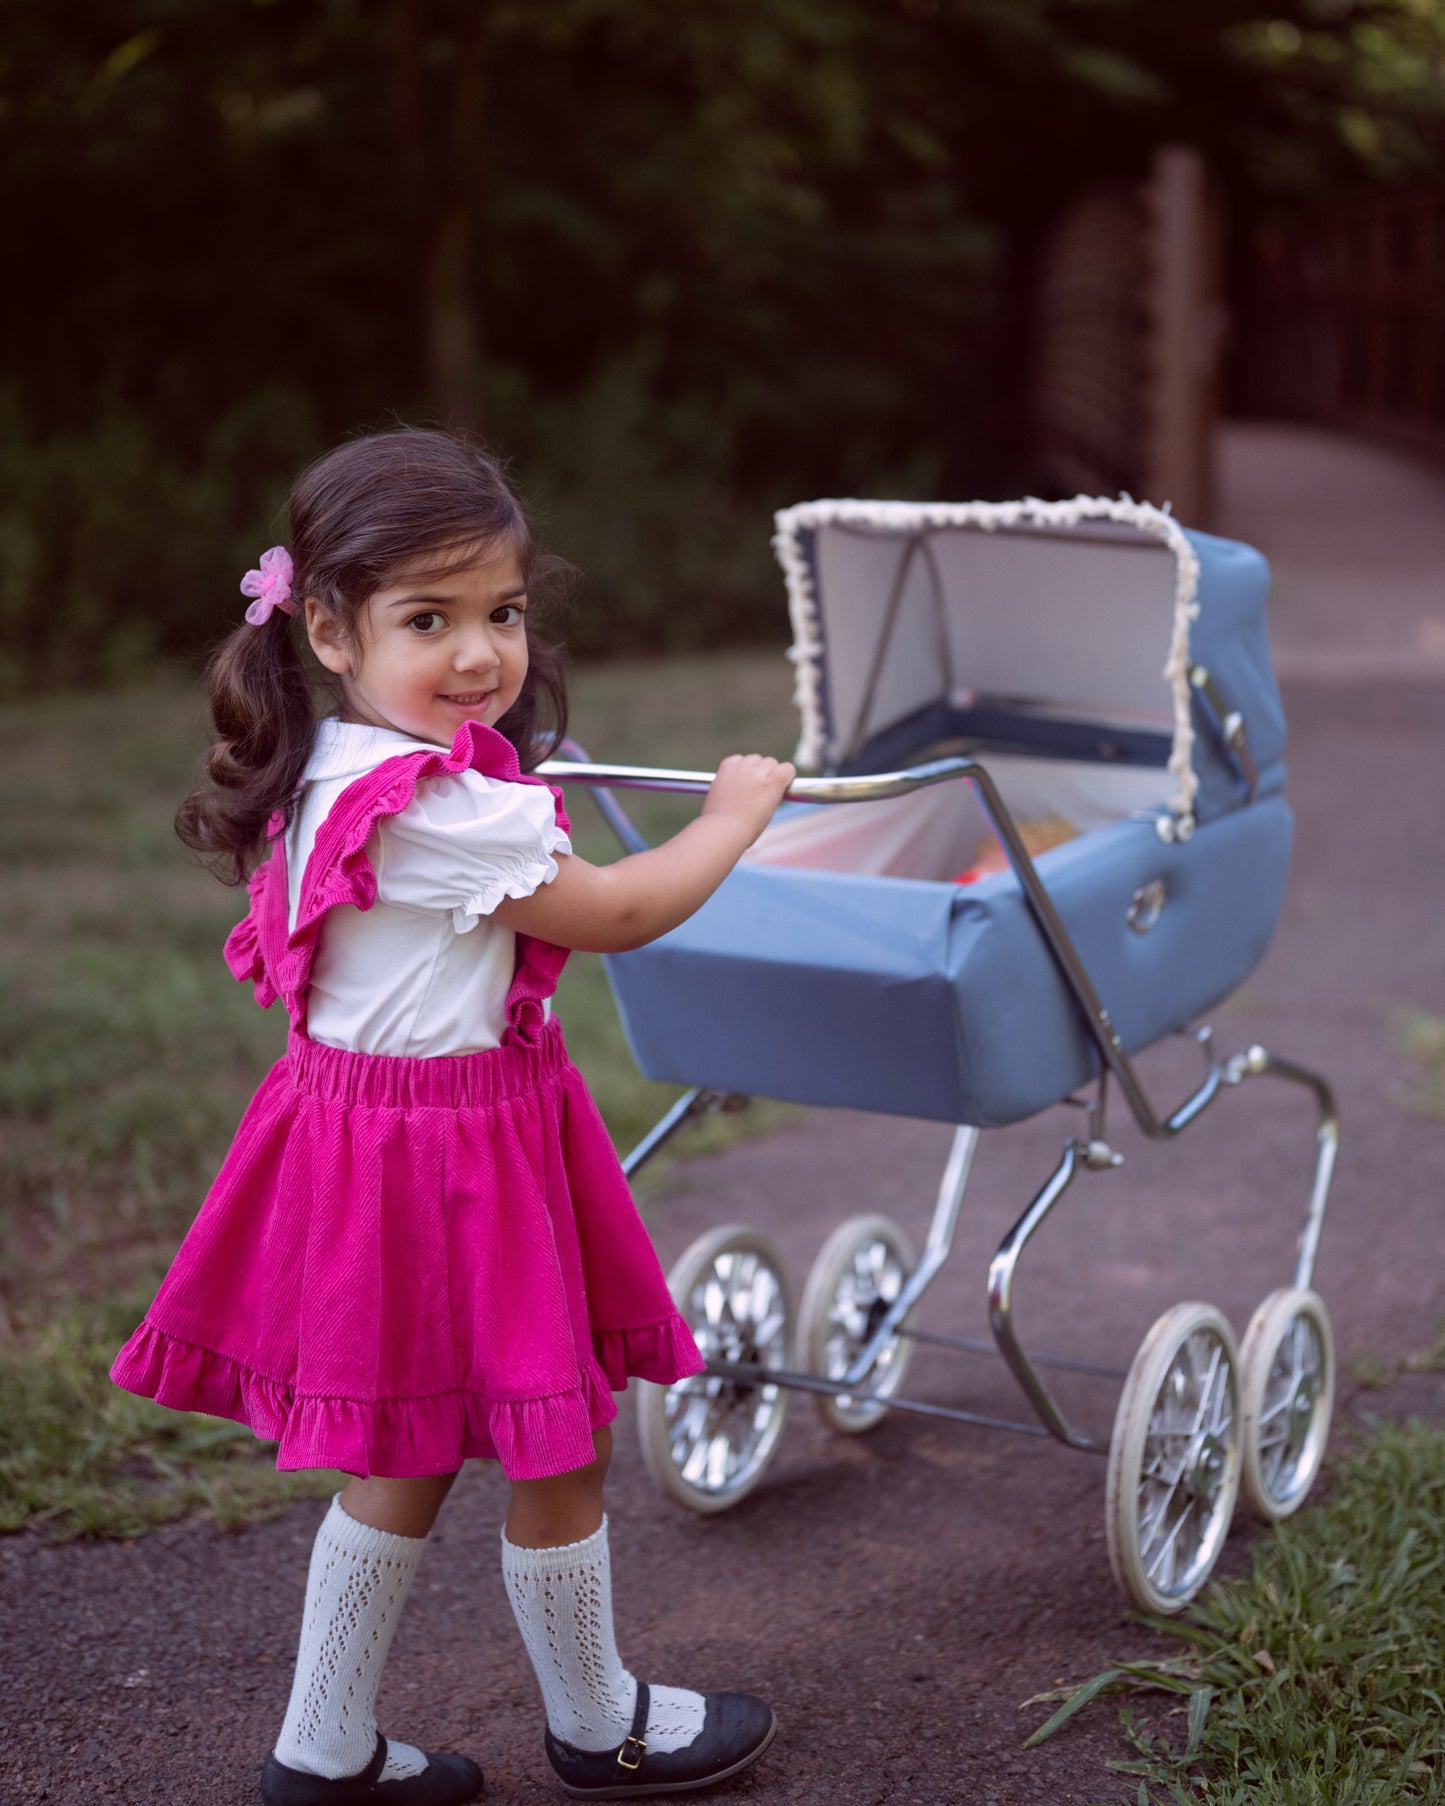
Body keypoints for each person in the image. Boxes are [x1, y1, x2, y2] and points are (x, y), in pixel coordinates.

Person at [111, 427, 794, 1805]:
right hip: (449, 1158)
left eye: (504, 612)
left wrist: (514, 777)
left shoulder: (328, 762)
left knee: (403, 1447)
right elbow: (619, 911)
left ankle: (325, 1747)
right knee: (558, 1434)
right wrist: (734, 815)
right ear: (328, 626)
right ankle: (599, 1720)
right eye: (432, 618)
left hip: (364, 1141)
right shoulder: (439, 807)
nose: (482, 652)